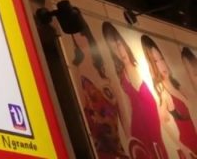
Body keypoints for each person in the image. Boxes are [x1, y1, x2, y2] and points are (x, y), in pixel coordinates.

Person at [103, 22, 166, 158]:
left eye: (119, 45)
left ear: (124, 44)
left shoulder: (140, 68)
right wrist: (130, 137)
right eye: (114, 48)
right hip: (139, 126)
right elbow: (127, 110)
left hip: (152, 124)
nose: (119, 52)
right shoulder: (122, 76)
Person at [68, 20, 129, 158]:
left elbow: (124, 119)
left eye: (80, 34)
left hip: (118, 150)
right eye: (74, 35)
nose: (78, 38)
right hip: (96, 151)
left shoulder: (106, 74)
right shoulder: (78, 75)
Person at [142, 36, 197, 159]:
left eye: (161, 59)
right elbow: (162, 121)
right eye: (156, 61)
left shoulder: (177, 85)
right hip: (189, 146)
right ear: (152, 65)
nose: (161, 64)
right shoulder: (164, 93)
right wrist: (182, 147)